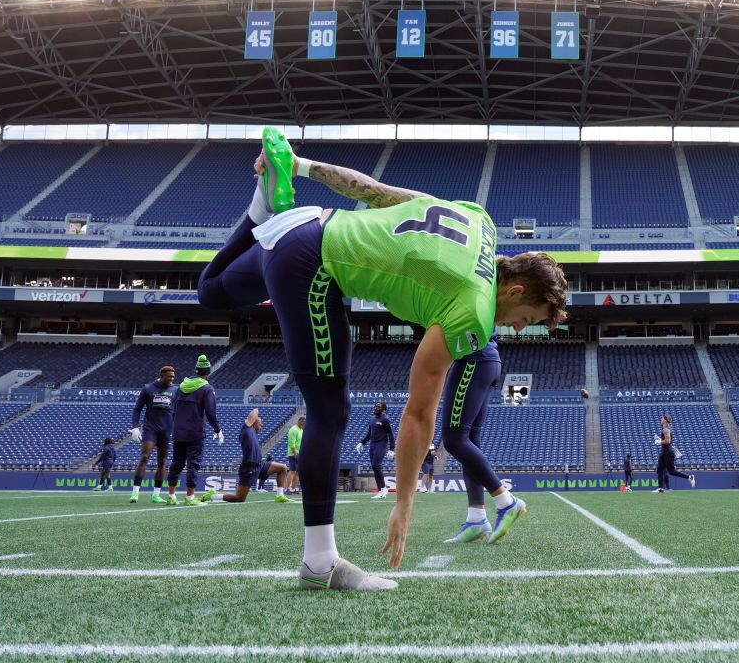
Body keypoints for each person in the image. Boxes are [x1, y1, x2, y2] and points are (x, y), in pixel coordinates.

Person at [193, 129, 569, 588]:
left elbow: (372, 190)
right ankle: (319, 564)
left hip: (305, 224)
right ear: (514, 291)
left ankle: (262, 203)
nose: (515, 328)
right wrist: (404, 503)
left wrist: (301, 167)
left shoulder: (479, 220)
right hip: (312, 264)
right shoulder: (475, 310)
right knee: (330, 412)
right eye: (525, 318)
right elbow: (418, 412)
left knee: (210, 291)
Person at [440, 335, 527, 545]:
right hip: (486, 359)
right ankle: (476, 519)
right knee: (468, 438)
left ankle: (506, 502)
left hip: (472, 358)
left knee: (453, 439)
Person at [166, 355, 223, 505]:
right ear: (208, 373)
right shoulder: (207, 388)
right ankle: (190, 497)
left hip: (178, 432)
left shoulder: (180, 387)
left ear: (196, 371)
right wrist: (218, 430)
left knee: (176, 464)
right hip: (195, 432)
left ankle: (171, 496)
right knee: (193, 464)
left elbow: (173, 409)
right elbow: (210, 412)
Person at [201, 408, 290, 503]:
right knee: (239, 498)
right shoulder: (246, 429)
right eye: (260, 424)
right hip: (249, 467)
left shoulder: (253, 433)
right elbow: (254, 412)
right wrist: (257, 409)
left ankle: (279, 495)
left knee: (282, 468)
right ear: (253, 422)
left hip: (260, 465)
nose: (262, 426)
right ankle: (213, 496)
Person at [128, 364, 176, 504]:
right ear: (161, 376)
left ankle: (156, 495)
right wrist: (135, 427)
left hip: (166, 431)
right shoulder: (148, 388)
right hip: (151, 428)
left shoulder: (175, 390)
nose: (171, 379)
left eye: (173, 377)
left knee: (162, 462)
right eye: (169, 377)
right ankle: (135, 493)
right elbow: (137, 409)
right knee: (144, 457)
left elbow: (178, 411)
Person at [358, 402, 396, 500]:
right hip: (372, 446)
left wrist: (392, 449)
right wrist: (361, 443)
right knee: (375, 468)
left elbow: (391, 434)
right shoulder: (372, 419)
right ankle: (381, 490)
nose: (376, 408)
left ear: (384, 409)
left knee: (376, 465)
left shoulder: (386, 419)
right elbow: (369, 434)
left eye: (378, 407)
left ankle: (383, 489)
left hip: (381, 445)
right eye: (375, 406)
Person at [653, 414, 694, 492]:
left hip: (667, 452)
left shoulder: (665, 429)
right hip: (665, 451)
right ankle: (660, 488)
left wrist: (659, 441)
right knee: (660, 469)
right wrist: (659, 439)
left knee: (671, 471)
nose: (661, 419)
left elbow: (668, 441)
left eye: (662, 418)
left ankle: (689, 477)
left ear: (665, 420)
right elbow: (666, 440)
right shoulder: (666, 429)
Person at [284, 415, 305, 495]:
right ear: (300, 421)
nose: (304, 425)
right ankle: (287, 489)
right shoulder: (293, 429)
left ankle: (294, 489)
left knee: (297, 472)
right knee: (292, 471)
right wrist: (295, 452)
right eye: (303, 423)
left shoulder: (301, 430)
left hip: (300, 454)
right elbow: (291, 443)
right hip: (293, 454)